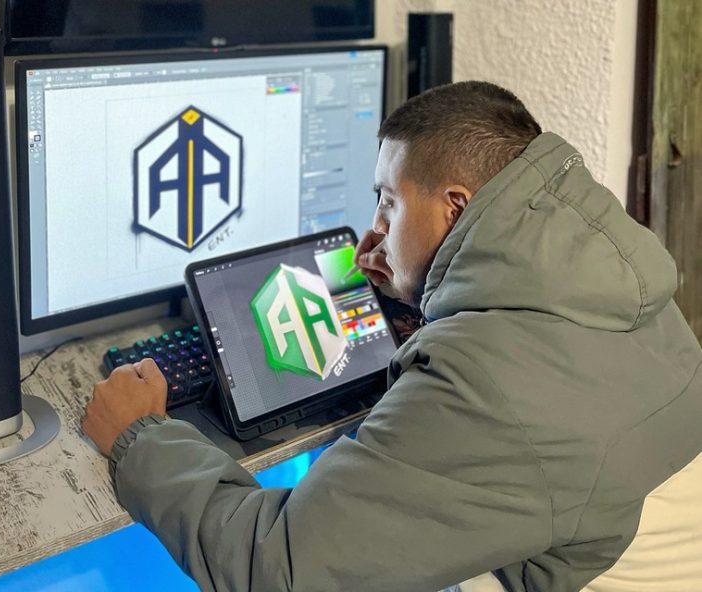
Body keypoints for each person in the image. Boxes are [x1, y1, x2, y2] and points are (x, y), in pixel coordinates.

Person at [82, 81, 702, 592]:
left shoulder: (480, 383)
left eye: (387, 203)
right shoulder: (615, 276)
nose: (371, 234)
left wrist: (140, 437)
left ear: (454, 207)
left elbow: (274, 567)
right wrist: (434, 307)